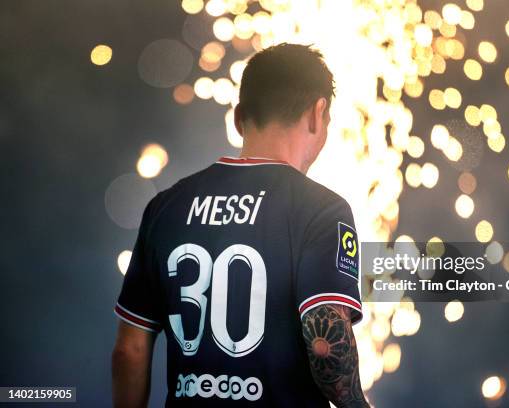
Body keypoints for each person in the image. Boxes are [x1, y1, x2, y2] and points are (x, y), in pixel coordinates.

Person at [112, 43, 369, 407]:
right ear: (317, 113)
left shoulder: (165, 207)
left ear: (238, 119)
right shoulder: (323, 210)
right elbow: (325, 345)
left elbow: (130, 349)